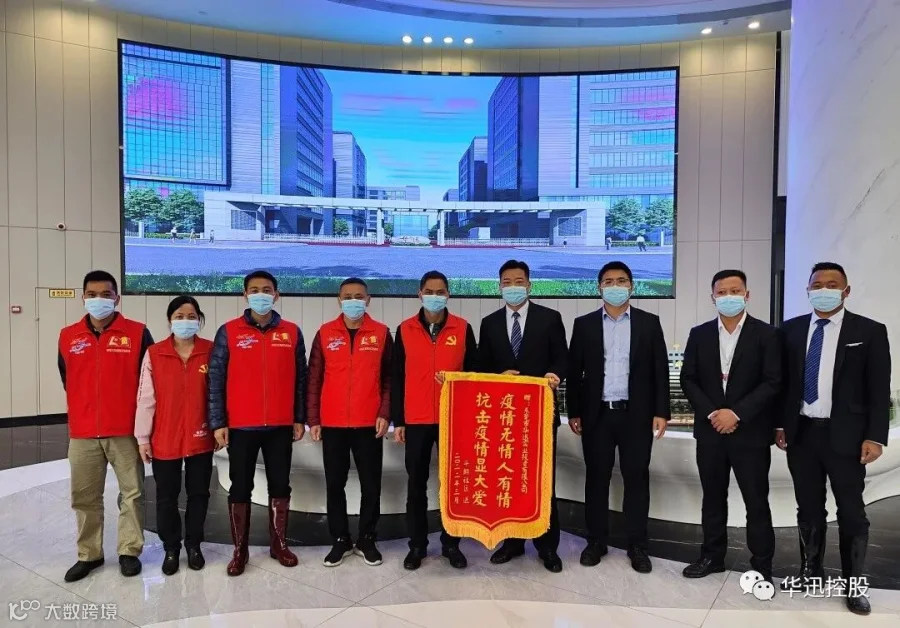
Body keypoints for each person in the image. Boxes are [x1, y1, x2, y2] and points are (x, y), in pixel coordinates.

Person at [778, 262, 890, 615]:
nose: (823, 290)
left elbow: (879, 389)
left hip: (847, 437)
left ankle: (854, 584)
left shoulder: (869, 331)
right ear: (808, 290)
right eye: (817, 285)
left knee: (852, 512)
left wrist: (875, 436)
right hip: (803, 434)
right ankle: (810, 573)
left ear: (846, 291)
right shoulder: (791, 330)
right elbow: (784, 385)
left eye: (832, 284)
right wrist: (781, 425)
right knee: (808, 508)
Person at [567, 261, 670, 573]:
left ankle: (637, 545)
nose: (615, 286)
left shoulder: (649, 323)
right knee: (596, 478)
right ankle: (596, 541)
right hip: (597, 415)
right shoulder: (584, 324)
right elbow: (574, 372)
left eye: (621, 281)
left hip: (635, 415)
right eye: (609, 281)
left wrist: (661, 411)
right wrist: (574, 411)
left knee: (636, 479)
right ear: (599, 288)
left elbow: (660, 369)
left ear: (631, 286)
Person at [679, 270, 781, 582]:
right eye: (722, 292)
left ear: (747, 295)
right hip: (710, 432)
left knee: (756, 501)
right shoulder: (699, 334)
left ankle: (762, 564)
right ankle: (712, 557)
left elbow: (773, 381)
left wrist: (736, 413)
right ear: (713, 298)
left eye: (735, 291)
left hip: (750, 433)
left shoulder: (767, 334)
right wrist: (713, 413)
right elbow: (688, 378)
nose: (728, 297)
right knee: (712, 498)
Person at [208, 270, 308, 576]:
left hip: (280, 426)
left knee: (280, 485)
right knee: (240, 487)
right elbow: (215, 379)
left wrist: (299, 417)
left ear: (276, 295)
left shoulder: (292, 332)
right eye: (254, 289)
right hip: (241, 426)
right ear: (245, 295)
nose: (260, 294)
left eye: (266, 289)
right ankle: (240, 550)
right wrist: (218, 422)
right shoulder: (228, 332)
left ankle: (279, 545)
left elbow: (301, 379)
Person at [58, 270, 154, 582]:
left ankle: (129, 550)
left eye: (106, 294)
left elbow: (149, 382)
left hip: (125, 430)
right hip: (83, 432)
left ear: (117, 298)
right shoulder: (68, 336)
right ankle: (89, 554)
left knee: (132, 494)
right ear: (83, 297)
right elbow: (67, 378)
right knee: (84, 497)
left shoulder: (138, 333)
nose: (99, 300)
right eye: (92, 294)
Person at [479, 260, 568, 573]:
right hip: (505, 417)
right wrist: (498, 376)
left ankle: (548, 547)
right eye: (507, 282)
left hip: (540, 415)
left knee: (543, 481)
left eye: (519, 281)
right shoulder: (489, 323)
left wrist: (555, 374)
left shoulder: (550, 318)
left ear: (529, 285)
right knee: (508, 481)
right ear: (499, 286)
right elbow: (481, 368)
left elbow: (562, 359)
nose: (513, 286)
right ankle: (512, 543)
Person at [392, 270, 479, 571]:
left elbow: (474, 375)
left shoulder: (463, 328)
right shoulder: (404, 329)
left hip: (453, 418)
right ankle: (417, 546)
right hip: (416, 419)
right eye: (429, 291)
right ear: (419, 294)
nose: (434, 296)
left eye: (440, 291)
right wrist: (399, 420)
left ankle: (451, 544)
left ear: (448, 294)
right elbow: (397, 377)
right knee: (416, 484)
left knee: (453, 485)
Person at [307, 278, 392, 568]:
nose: (353, 301)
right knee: (335, 484)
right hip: (332, 423)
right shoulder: (325, 332)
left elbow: (389, 378)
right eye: (347, 296)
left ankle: (367, 538)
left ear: (368, 300)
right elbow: (314, 378)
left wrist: (385, 413)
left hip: (369, 423)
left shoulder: (381, 333)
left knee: (371, 485)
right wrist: (313, 418)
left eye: (359, 296)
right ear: (339, 300)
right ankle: (340, 539)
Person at [135, 296, 214, 576]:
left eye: (191, 316)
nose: (185, 321)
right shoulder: (155, 353)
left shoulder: (210, 350)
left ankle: (194, 545)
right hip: (164, 437)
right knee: (166, 497)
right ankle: (171, 548)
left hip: (201, 436)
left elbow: (219, 393)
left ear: (199, 320)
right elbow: (146, 398)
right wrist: (142, 437)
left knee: (199, 494)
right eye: (179, 316)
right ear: (170, 320)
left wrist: (219, 427)